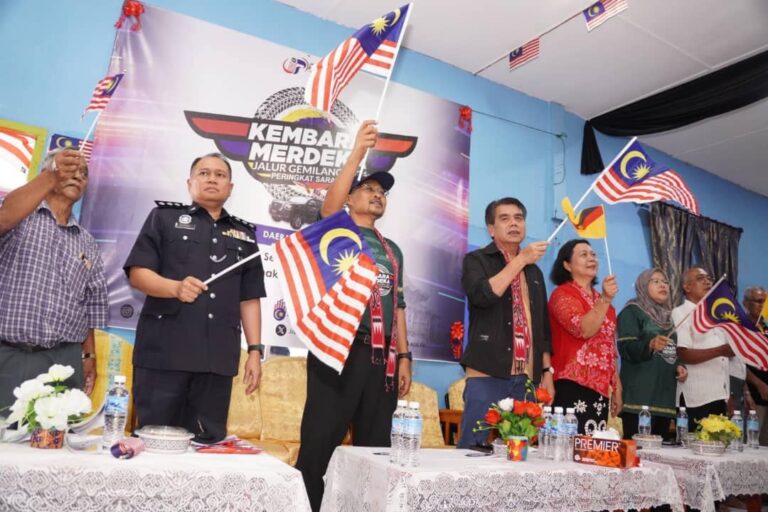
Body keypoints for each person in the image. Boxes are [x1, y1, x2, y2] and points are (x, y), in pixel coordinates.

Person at [295, 120, 412, 512]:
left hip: (382, 359)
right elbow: (329, 206)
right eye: (368, 189)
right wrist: (358, 151)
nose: (377, 196)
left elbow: (398, 305)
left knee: (375, 450)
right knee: (319, 443)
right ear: (349, 197)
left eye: (382, 193)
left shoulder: (392, 249)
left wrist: (405, 356)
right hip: (338, 351)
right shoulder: (337, 232)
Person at [124, 153, 264, 443]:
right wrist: (174, 288)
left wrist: (254, 351)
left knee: (207, 444)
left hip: (216, 360)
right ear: (190, 183)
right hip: (164, 353)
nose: (212, 179)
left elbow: (250, 297)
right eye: (204, 173)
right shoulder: (163, 218)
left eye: (220, 174)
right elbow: (137, 273)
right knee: (153, 441)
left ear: (230, 187)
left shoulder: (245, 235)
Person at [0, 148, 107, 412]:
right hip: (8, 353)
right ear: (46, 174)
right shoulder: (20, 217)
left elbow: (89, 306)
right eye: (70, 170)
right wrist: (52, 175)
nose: (78, 176)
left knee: (54, 436)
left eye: (83, 173)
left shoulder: (87, 243)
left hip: (62, 361)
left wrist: (88, 355)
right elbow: (4, 218)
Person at [459, 197, 552, 448]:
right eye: (505, 218)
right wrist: (520, 260)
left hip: (527, 378)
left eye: (518, 218)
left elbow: (542, 327)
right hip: (486, 371)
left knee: (520, 452)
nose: (514, 223)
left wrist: (547, 372)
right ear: (491, 229)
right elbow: (482, 296)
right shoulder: (476, 260)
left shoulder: (535, 271)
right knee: (473, 447)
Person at [548, 239, 621, 434]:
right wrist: (606, 299)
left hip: (601, 389)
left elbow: (610, 347)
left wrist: (616, 386)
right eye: (583, 254)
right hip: (571, 383)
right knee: (569, 444)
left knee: (593, 446)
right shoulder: (562, 294)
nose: (591, 258)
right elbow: (583, 330)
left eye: (593, 254)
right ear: (567, 265)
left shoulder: (603, 301)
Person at [617, 269, 687, 440]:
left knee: (661, 453)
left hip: (664, 399)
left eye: (665, 281)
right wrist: (650, 345)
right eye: (655, 281)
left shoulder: (668, 317)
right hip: (639, 399)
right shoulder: (632, 311)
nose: (663, 285)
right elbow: (626, 348)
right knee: (637, 452)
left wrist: (679, 366)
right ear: (642, 285)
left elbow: (670, 352)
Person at [673, 267, 733, 427]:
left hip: (719, 396)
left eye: (709, 279)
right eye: (701, 279)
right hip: (696, 398)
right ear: (687, 287)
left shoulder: (716, 315)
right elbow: (683, 354)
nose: (707, 282)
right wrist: (721, 350)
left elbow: (724, 360)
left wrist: (727, 394)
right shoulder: (680, 313)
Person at [743, 286, 768, 445]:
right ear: (746, 303)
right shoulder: (741, 327)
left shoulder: (765, 328)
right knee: (751, 444)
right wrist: (758, 385)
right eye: (759, 301)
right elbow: (738, 363)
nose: (762, 306)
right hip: (752, 396)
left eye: (764, 302)